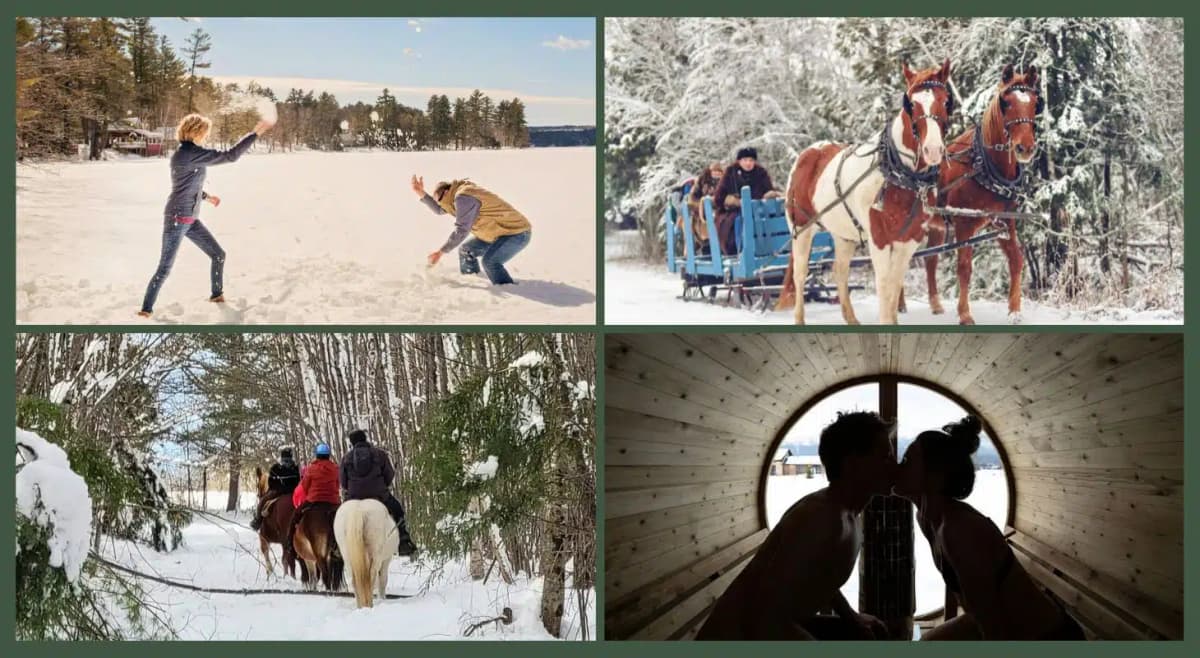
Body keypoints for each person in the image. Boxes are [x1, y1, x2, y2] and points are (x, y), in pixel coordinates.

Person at [696, 411, 896, 640]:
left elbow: (822, 577)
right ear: (852, 463)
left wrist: (851, 616)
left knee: (874, 635)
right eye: (884, 457)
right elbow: (763, 618)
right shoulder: (820, 519)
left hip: (774, 626)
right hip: (738, 637)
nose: (893, 465)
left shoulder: (847, 513)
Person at [895, 416, 1085, 640]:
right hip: (998, 621)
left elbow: (995, 628)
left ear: (935, 476)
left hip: (1049, 636)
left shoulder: (958, 529)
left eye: (908, 459)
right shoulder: (926, 519)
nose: (899, 466)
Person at [137, 113, 274, 318]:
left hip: (190, 220)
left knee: (218, 255)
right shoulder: (190, 153)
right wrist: (255, 133)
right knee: (164, 268)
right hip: (177, 219)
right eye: (205, 132)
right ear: (196, 132)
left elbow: (187, 186)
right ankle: (145, 310)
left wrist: (207, 197)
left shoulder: (187, 154)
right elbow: (231, 156)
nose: (206, 136)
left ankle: (216, 295)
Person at [410, 176, 532, 285]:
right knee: (466, 251)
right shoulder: (453, 198)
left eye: (439, 200)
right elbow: (439, 209)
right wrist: (420, 192)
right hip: (496, 234)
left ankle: (509, 291)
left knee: (490, 262)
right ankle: (473, 281)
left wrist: (440, 252)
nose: (439, 204)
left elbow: (462, 229)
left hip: (516, 233)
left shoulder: (463, 197)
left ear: (446, 193)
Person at [340, 428, 418, 556]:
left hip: (354, 497)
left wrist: (352, 490)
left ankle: (337, 546)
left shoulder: (346, 458)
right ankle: (404, 540)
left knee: (341, 516)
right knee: (398, 510)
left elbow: (343, 482)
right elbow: (389, 474)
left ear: (352, 443)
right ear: (365, 439)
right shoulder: (379, 454)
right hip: (379, 494)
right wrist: (382, 487)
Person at [709, 147, 779, 255]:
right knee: (738, 222)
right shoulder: (730, 172)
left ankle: (772, 246)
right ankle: (740, 249)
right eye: (745, 160)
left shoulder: (761, 173)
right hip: (734, 212)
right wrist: (732, 200)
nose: (748, 163)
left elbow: (769, 190)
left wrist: (768, 196)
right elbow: (719, 198)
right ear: (739, 161)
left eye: (751, 160)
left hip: (759, 210)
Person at [284, 442, 341, 555]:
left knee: (295, 515)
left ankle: (289, 543)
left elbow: (304, 486)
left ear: (317, 455)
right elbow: (338, 484)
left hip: (313, 500)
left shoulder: (311, 469)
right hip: (333, 502)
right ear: (328, 455)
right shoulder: (336, 468)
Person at [250, 447, 300, 531]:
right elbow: (299, 481)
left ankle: (258, 520)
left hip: (279, 492)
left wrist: (278, 488)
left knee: (263, 501)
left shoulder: (276, 468)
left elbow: (271, 483)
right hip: (293, 492)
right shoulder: (295, 468)